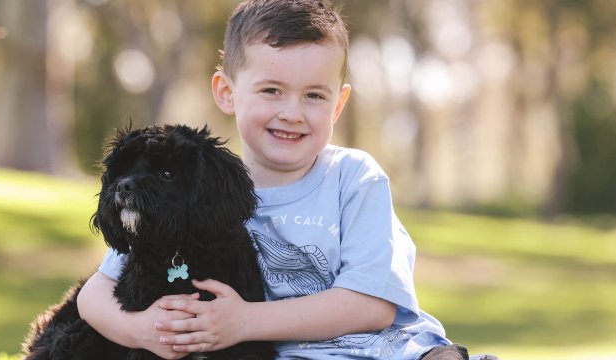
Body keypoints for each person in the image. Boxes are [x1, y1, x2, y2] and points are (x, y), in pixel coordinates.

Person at [76, 0, 470, 359]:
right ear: (227, 92)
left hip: (392, 351)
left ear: (339, 104)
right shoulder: (203, 188)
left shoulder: (354, 178)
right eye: (271, 90)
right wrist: (139, 330)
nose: (292, 113)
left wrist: (246, 321)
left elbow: (373, 304)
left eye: (314, 96)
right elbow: (94, 294)